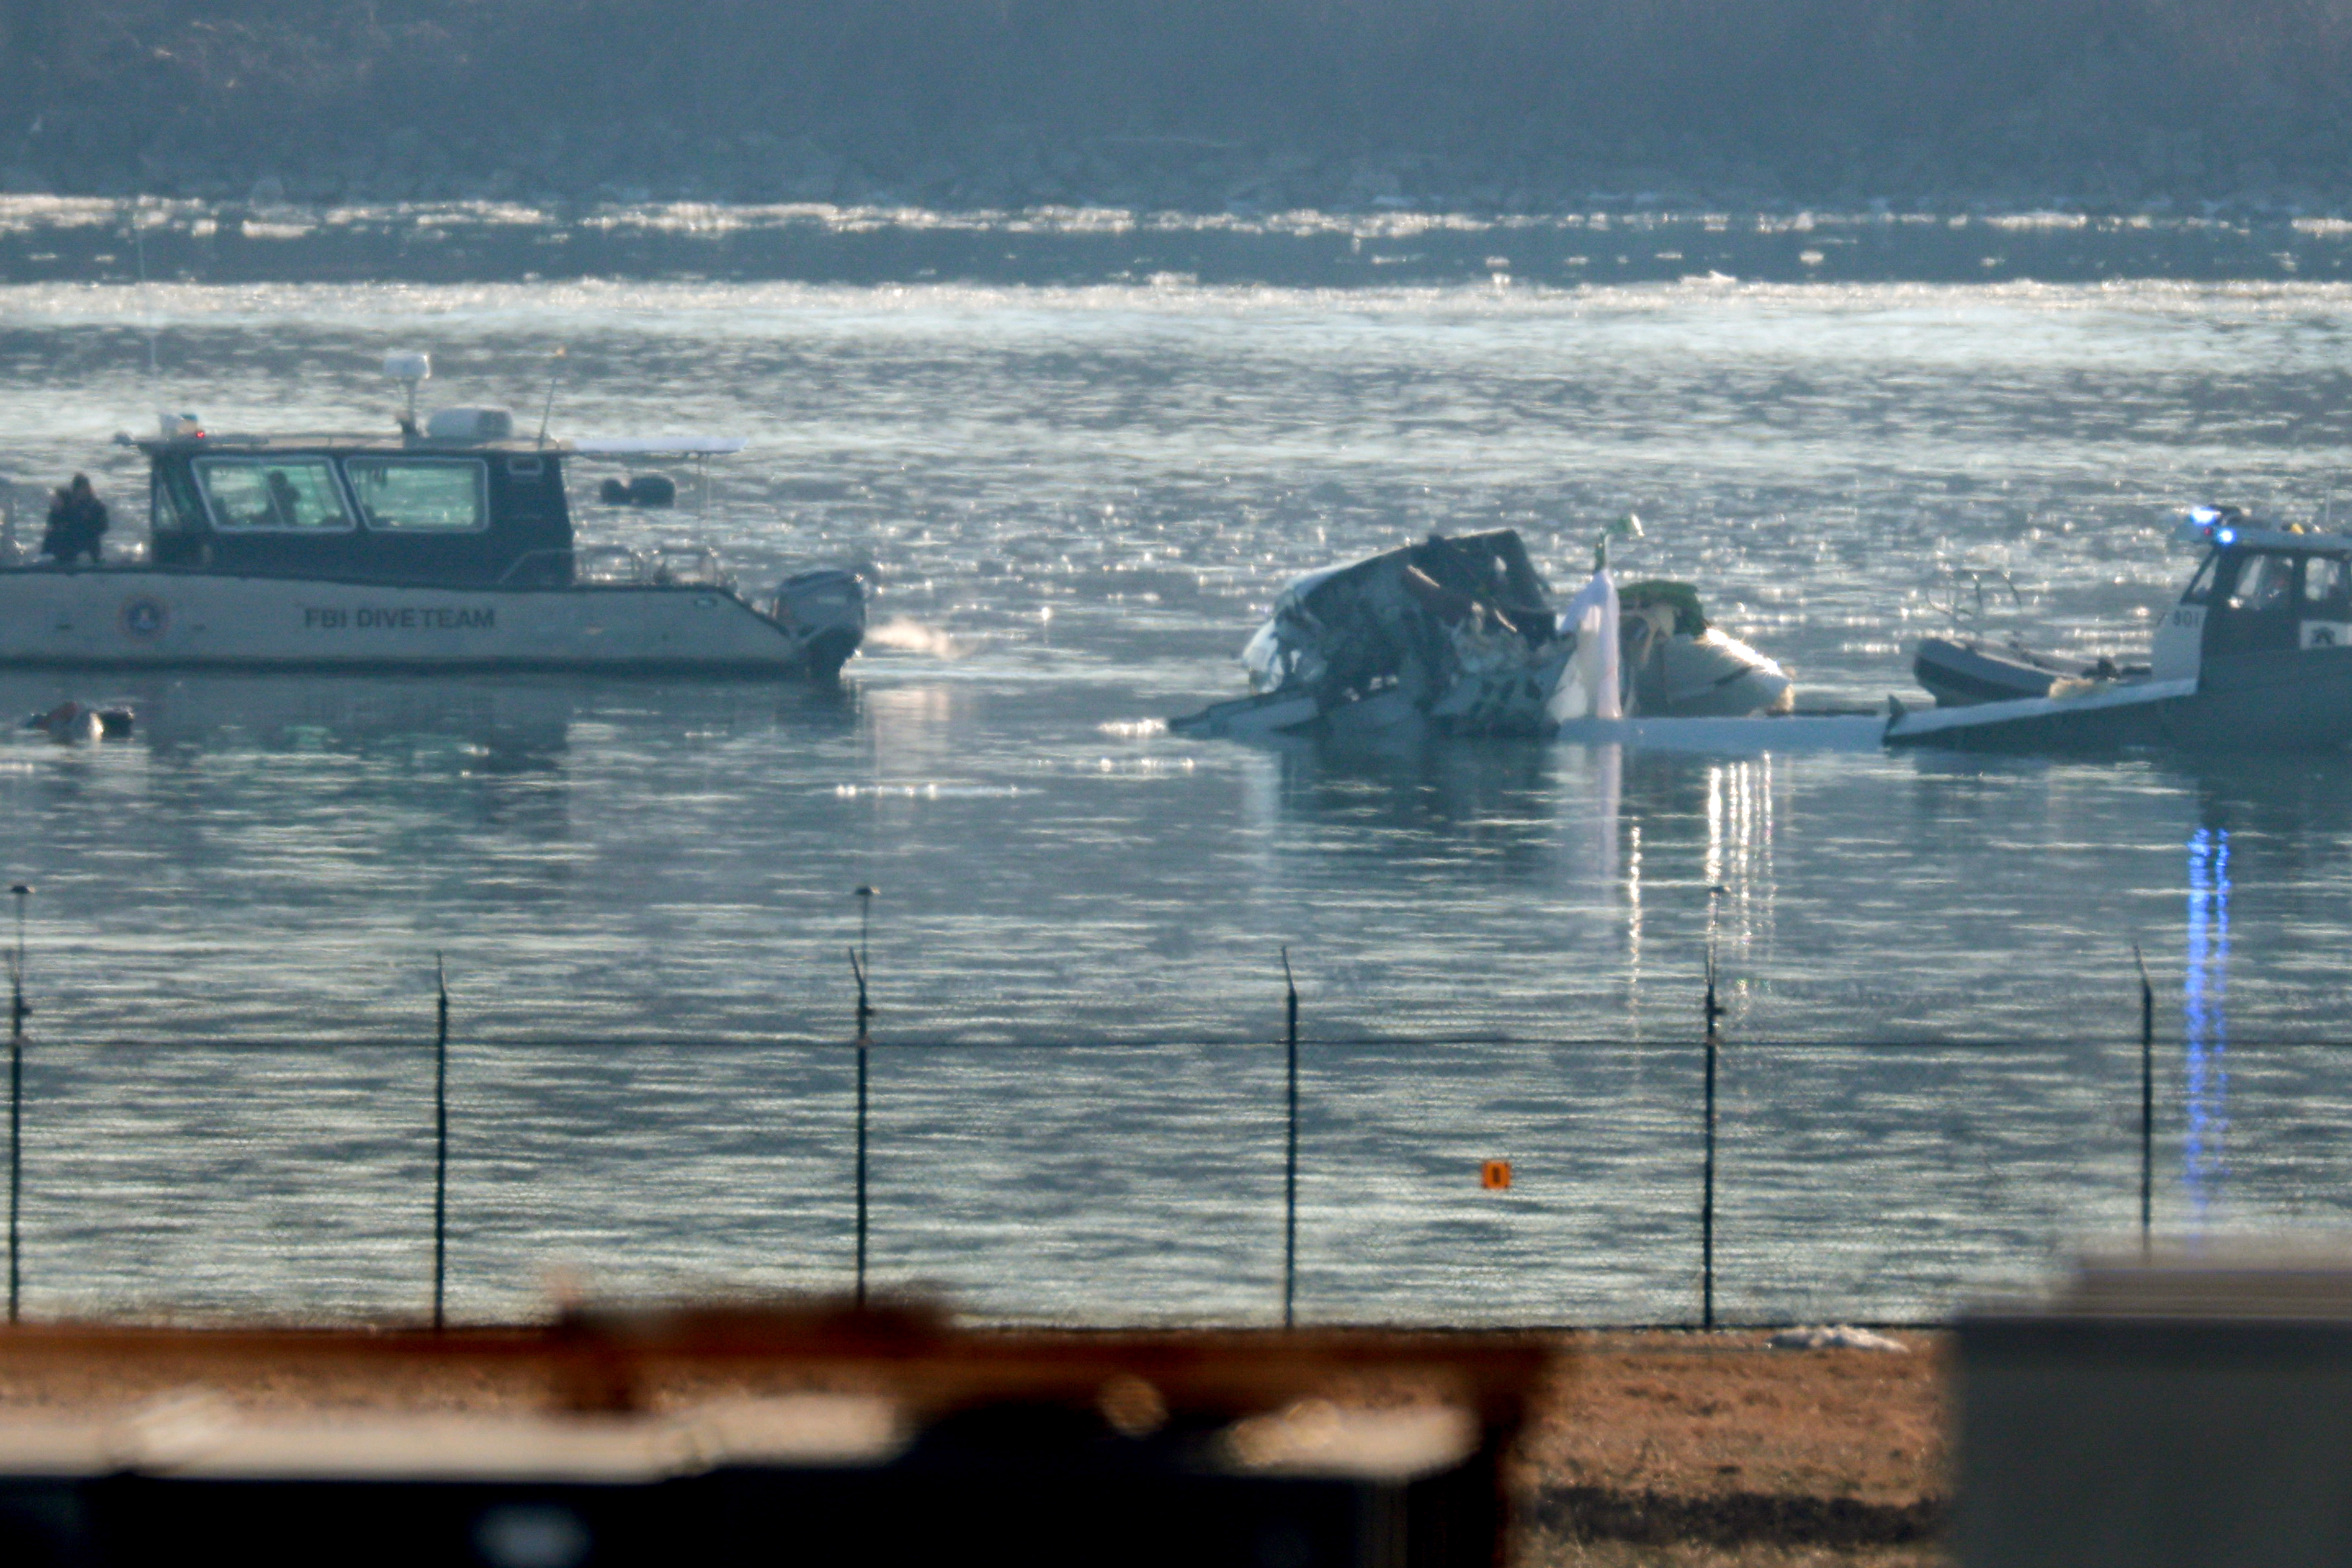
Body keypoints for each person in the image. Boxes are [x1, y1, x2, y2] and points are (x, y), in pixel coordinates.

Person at [40, 474, 107, 566]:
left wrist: (89, 521)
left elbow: (103, 527)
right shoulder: (67, 506)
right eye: (81, 489)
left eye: (85, 488)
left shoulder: (96, 507)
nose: (83, 492)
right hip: (66, 548)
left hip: (89, 547)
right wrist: (57, 510)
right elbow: (55, 522)